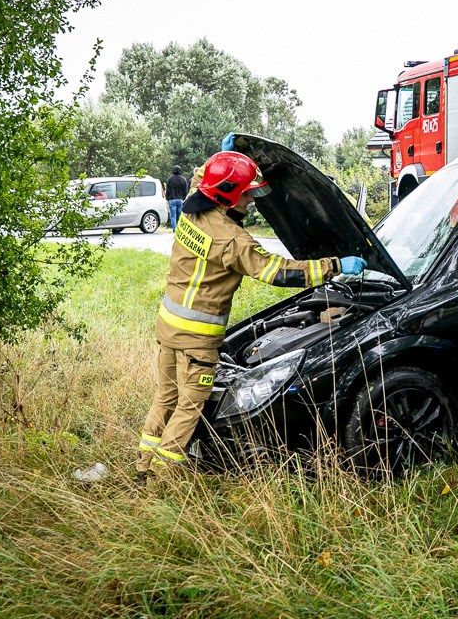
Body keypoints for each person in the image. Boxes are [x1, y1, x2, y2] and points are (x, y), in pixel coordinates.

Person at [135, 150, 366, 480]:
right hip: (197, 338)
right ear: (229, 195)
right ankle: (159, 475)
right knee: (190, 405)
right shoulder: (232, 239)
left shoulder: (190, 209)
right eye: (247, 193)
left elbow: (203, 180)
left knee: (166, 397)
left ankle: (143, 463)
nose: (252, 201)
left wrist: (223, 154)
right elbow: (277, 272)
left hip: (168, 326)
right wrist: (335, 266)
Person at [165, 165, 189, 231]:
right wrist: (184, 198)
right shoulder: (183, 179)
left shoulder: (170, 179)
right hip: (180, 199)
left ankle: (174, 229)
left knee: (173, 215)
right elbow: (185, 190)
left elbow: (168, 190)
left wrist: (167, 198)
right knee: (180, 215)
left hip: (172, 199)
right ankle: (179, 229)